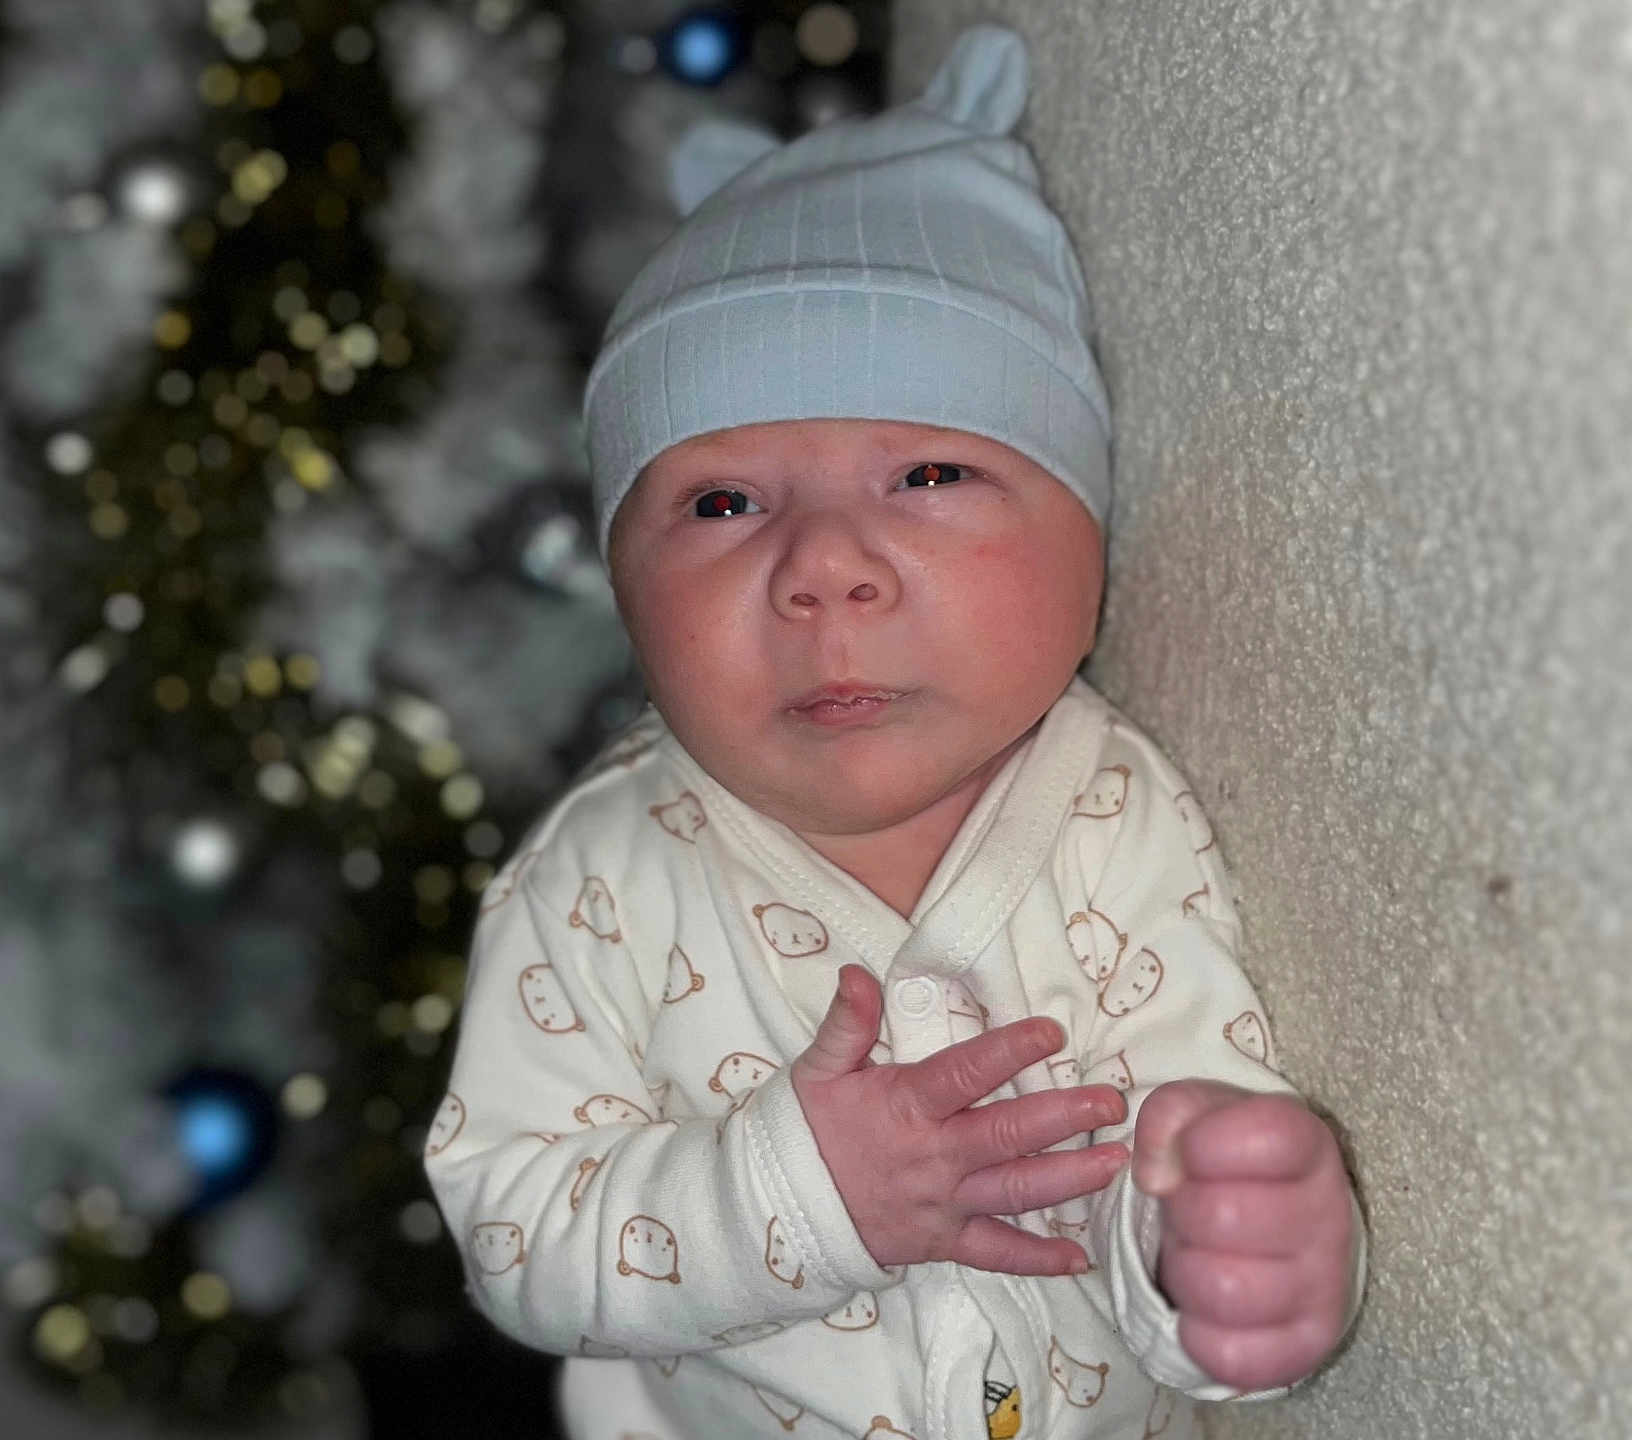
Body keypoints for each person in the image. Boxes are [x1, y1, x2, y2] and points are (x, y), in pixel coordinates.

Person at [425, 25, 1364, 1440]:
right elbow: (516, 1233)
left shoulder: (1118, 820)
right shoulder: (596, 887)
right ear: (625, 592)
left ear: (1089, 539)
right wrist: (797, 1194)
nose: (823, 568)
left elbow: (1160, 1144)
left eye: (930, 471)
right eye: (723, 503)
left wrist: (1220, 1252)